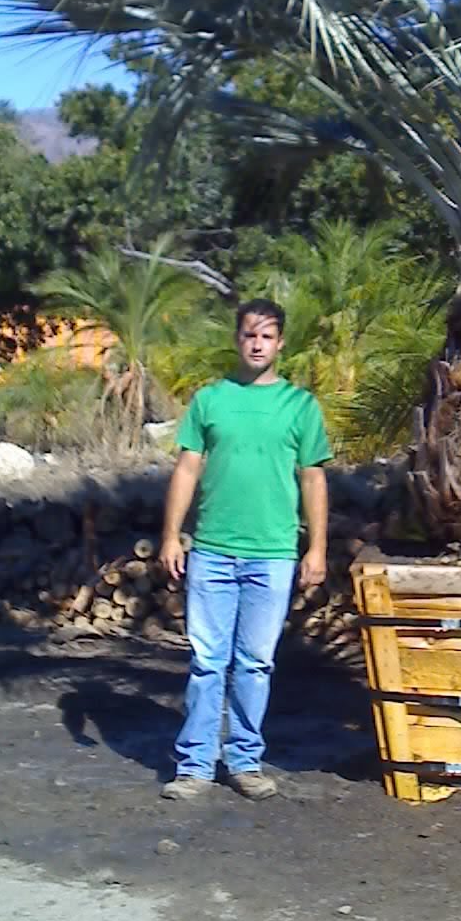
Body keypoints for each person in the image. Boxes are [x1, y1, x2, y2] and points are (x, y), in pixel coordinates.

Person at [158, 298, 332, 801]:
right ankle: (193, 765)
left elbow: (313, 477)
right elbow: (188, 468)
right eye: (250, 335)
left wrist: (316, 547)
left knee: (255, 663)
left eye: (267, 336)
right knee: (207, 660)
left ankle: (244, 761)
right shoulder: (210, 401)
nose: (258, 344)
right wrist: (172, 534)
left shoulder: (300, 406)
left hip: (274, 553)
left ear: (280, 343)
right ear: (237, 340)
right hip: (212, 550)